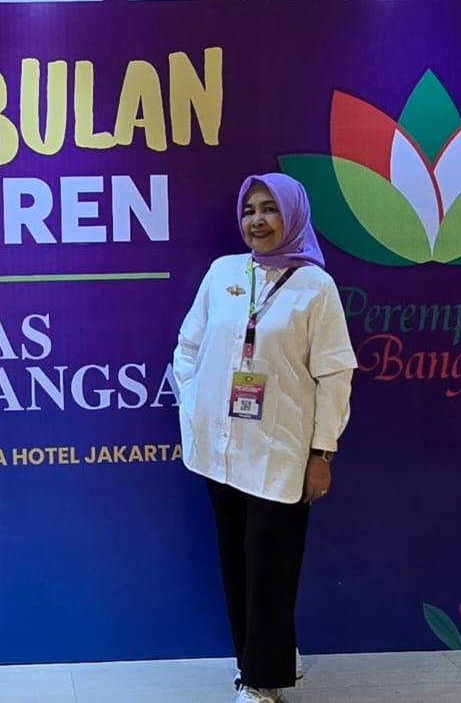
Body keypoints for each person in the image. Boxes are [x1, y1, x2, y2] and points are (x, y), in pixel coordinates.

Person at [172, 174, 358, 703]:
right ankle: (259, 660)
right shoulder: (223, 272)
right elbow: (188, 347)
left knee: (270, 564)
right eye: (250, 210)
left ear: (293, 216)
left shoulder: (315, 287)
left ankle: (262, 682)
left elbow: (335, 374)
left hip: (282, 451)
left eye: (270, 209)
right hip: (220, 449)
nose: (257, 220)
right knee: (236, 560)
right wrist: (195, 405)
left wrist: (322, 452)